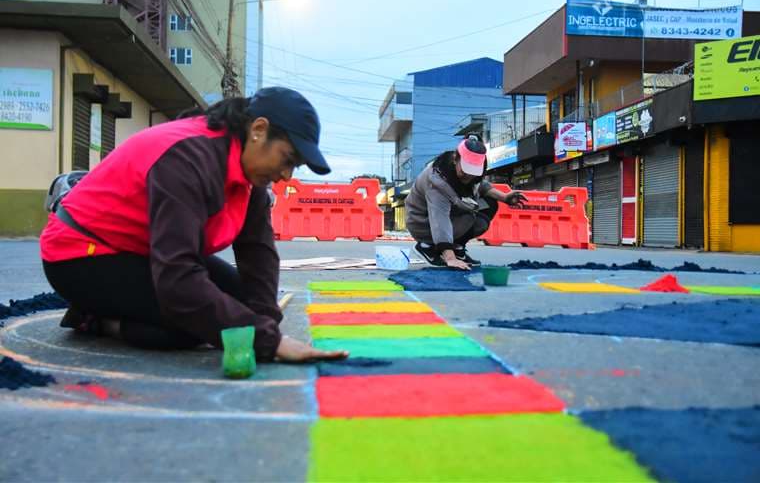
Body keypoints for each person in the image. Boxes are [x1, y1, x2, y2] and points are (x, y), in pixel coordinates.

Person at [39, 87, 349, 363]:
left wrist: (264, 324)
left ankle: (123, 306)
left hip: (143, 251)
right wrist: (269, 341)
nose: (287, 175)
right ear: (258, 129)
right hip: (82, 253)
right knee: (193, 322)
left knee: (235, 312)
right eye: (287, 159)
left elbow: (258, 252)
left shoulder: (249, 175)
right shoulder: (187, 159)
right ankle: (95, 319)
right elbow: (178, 280)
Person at [405, 136, 527, 270]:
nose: (468, 177)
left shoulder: (471, 177)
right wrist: (449, 258)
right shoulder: (438, 182)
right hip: (423, 223)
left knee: (489, 203)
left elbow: (480, 185)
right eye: (465, 171)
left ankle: (458, 247)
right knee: (471, 216)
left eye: (473, 173)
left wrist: (505, 197)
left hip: (449, 216)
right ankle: (427, 246)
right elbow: (440, 220)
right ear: (455, 159)